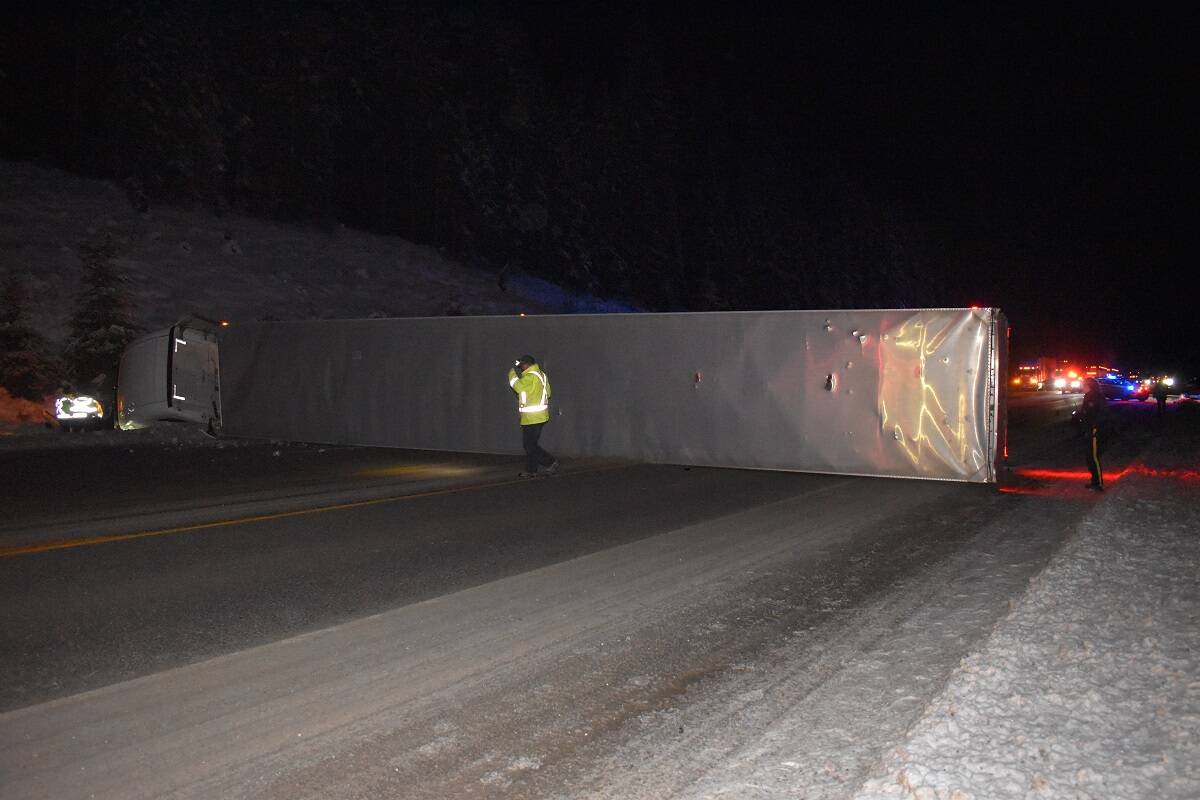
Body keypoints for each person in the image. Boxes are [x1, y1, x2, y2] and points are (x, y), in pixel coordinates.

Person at [507, 354, 557, 478]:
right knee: (531, 445)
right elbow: (548, 393)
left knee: (529, 445)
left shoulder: (530, 377)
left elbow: (517, 386)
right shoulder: (541, 375)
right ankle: (531, 470)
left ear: (527, 364)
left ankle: (550, 462)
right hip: (539, 416)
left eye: (521, 365)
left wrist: (511, 374)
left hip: (532, 417)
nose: (520, 368)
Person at [1076, 377, 1108, 491]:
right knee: (1089, 457)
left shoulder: (1096, 397)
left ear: (1088, 386)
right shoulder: (1089, 396)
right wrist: (1079, 416)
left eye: (1083, 385)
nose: (1081, 387)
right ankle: (1094, 481)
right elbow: (1087, 413)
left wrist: (1094, 426)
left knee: (1093, 457)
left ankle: (1098, 483)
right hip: (1089, 429)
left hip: (1094, 430)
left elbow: (1101, 414)